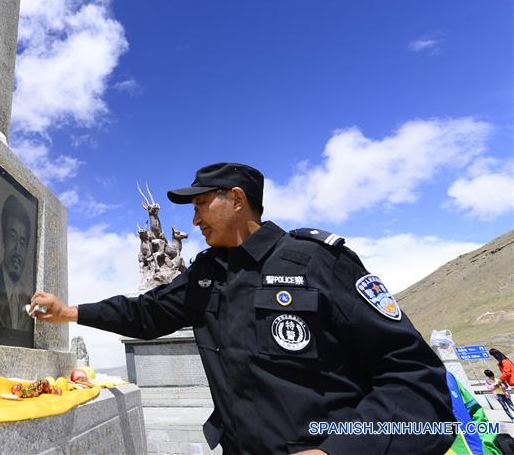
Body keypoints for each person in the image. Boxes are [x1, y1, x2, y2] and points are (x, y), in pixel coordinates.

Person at [31, 162, 455, 455]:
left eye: (200, 204)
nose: (194, 220)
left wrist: (340, 450)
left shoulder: (317, 261)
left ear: (236, 199)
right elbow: (146, 313)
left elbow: (415, 379)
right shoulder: (205, 273)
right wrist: (68, 312)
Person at [0, 194, 33, 331]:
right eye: (13, 237)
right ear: (4, 240)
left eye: (22, 242)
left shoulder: (29, 299)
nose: (17, 249)